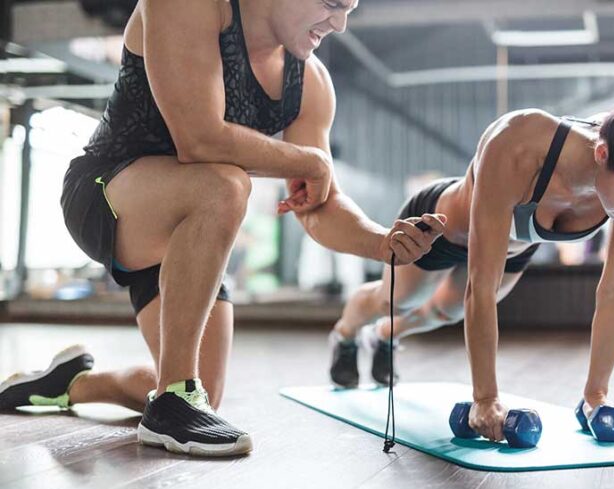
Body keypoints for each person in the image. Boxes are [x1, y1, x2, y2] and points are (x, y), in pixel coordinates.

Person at [0, 0, 446, 457]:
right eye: (333, 4)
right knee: (225, 184)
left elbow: (318, 201)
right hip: (105, 191)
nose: (341, 23)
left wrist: (383, 241)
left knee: (202, 388)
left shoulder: (310, 82)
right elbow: (200, 139)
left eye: (350, 8)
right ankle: (173, 405)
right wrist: (310, 161)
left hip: (191, 227)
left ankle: (73, 382)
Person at [328, 59, 614, 442]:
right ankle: (345, 335)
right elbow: (481, 283)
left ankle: (383, 336)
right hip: (441, 231)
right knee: (401, 298)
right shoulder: (520, 142)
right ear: (602, 154)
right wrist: (485, 398)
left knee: (445, 311)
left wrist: (596, 394)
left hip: (513, 247)